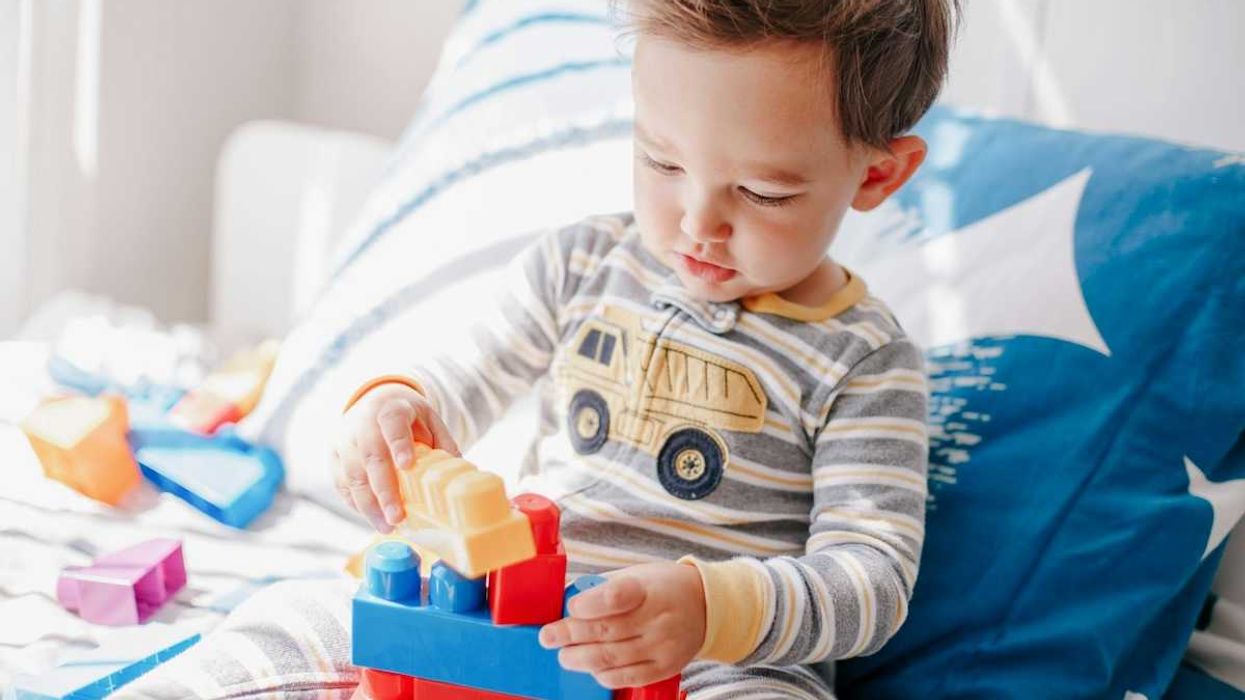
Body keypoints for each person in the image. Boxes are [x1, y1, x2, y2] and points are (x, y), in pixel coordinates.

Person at [336, 1, 955, 696]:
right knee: (319, 622)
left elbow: (870, 583)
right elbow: (459, 380)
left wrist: (706, 609)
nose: (699, 222)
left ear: (876, 176)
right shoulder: (580, 266)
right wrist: (398, 404)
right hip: (521, 618)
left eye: (761, 193)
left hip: (719, 662)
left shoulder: (865, 363)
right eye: (662, 161)